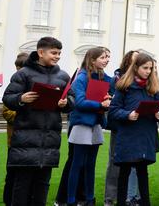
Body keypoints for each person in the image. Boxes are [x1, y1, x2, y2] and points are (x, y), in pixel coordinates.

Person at [2, 36, 73, 206]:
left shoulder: (63, 76)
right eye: (53, 53)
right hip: (25, 140)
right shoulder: (23, 74)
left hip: (49, 141)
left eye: (59, 53)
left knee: (42, 187)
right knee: (22, 187)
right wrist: (21, 98)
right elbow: (8, 98)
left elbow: (72, 99)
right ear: (41, 52)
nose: (57, 56)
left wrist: (67, 103)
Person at [109, 52, 159, 206]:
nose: (148, 71)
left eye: (150, 68)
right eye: (145, 68)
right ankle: (121, 203)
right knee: (124, 173)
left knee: (142, 173)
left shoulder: (152, 88)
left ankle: (145, 203)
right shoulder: (124, 87)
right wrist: (128, 115)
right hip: (128, 135)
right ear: (136, 67)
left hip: (145, 135)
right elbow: (113, 110)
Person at [66, 47, 114, 206]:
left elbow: (109, 98)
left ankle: (89, 198)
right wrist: (100, 103)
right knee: (77, 164)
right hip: (82, 124)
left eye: (107, 57)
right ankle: (71, 200)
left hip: (96, 123)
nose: (106, 60)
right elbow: (79, 102)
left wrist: (109, 100)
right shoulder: (81, 78)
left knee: (90, 165)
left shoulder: (105, 78)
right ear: (92, 60)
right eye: (102, 57)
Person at [104, 51, 142, 206]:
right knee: (114, 163)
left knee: (137, 164)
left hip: (137, 128)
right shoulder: (116, 80)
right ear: (128, 62)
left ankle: (131, 196)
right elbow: (113, 105)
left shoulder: (143, 81)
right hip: (119, 127)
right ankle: (110, 197)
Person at [2, 52, 30, 206]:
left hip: (28, 139)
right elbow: (7, 112)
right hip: (14, 140)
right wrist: (24, 115)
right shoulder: (13, 87)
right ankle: (9, 200)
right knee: (12, 174)